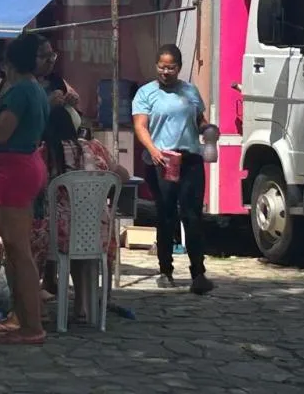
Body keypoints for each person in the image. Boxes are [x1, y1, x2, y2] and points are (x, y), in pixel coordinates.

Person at [0, 32, 51, 345]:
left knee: (18, 249)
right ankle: (21, 317)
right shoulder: (33, 89)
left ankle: (32, 324)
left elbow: (2, 132)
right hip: (17, 167)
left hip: (13, 169)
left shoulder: (22, 90)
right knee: (12, 247)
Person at [132, 44, 217, 294]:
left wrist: (208, 129)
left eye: (170, 68)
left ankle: (198, 272)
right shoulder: (146, 93)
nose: (165, 72)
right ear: (156, 66)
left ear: (179, 68)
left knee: (192, 215)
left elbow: (199, 119)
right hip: (162, 160)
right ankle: (165, 269)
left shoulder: (189, 91)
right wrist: (153, 150)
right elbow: (140, 126)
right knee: (166, 214)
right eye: (162, 67)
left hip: (190, 158)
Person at [32, 106, 129, 321]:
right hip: (96, 230)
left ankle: (36, 303)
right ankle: (82, 305)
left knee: (26, 238)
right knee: (78, 235)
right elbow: (123, 175)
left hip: (59, 235)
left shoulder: (44, 153)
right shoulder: (95, 148)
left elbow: (34, 187)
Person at [34, 37, 80, 111]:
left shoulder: (56, 80)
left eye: (51, 55)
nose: (50, 61)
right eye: (43, 56)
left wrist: (70, 101)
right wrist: (47, 105)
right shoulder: (22, 86)